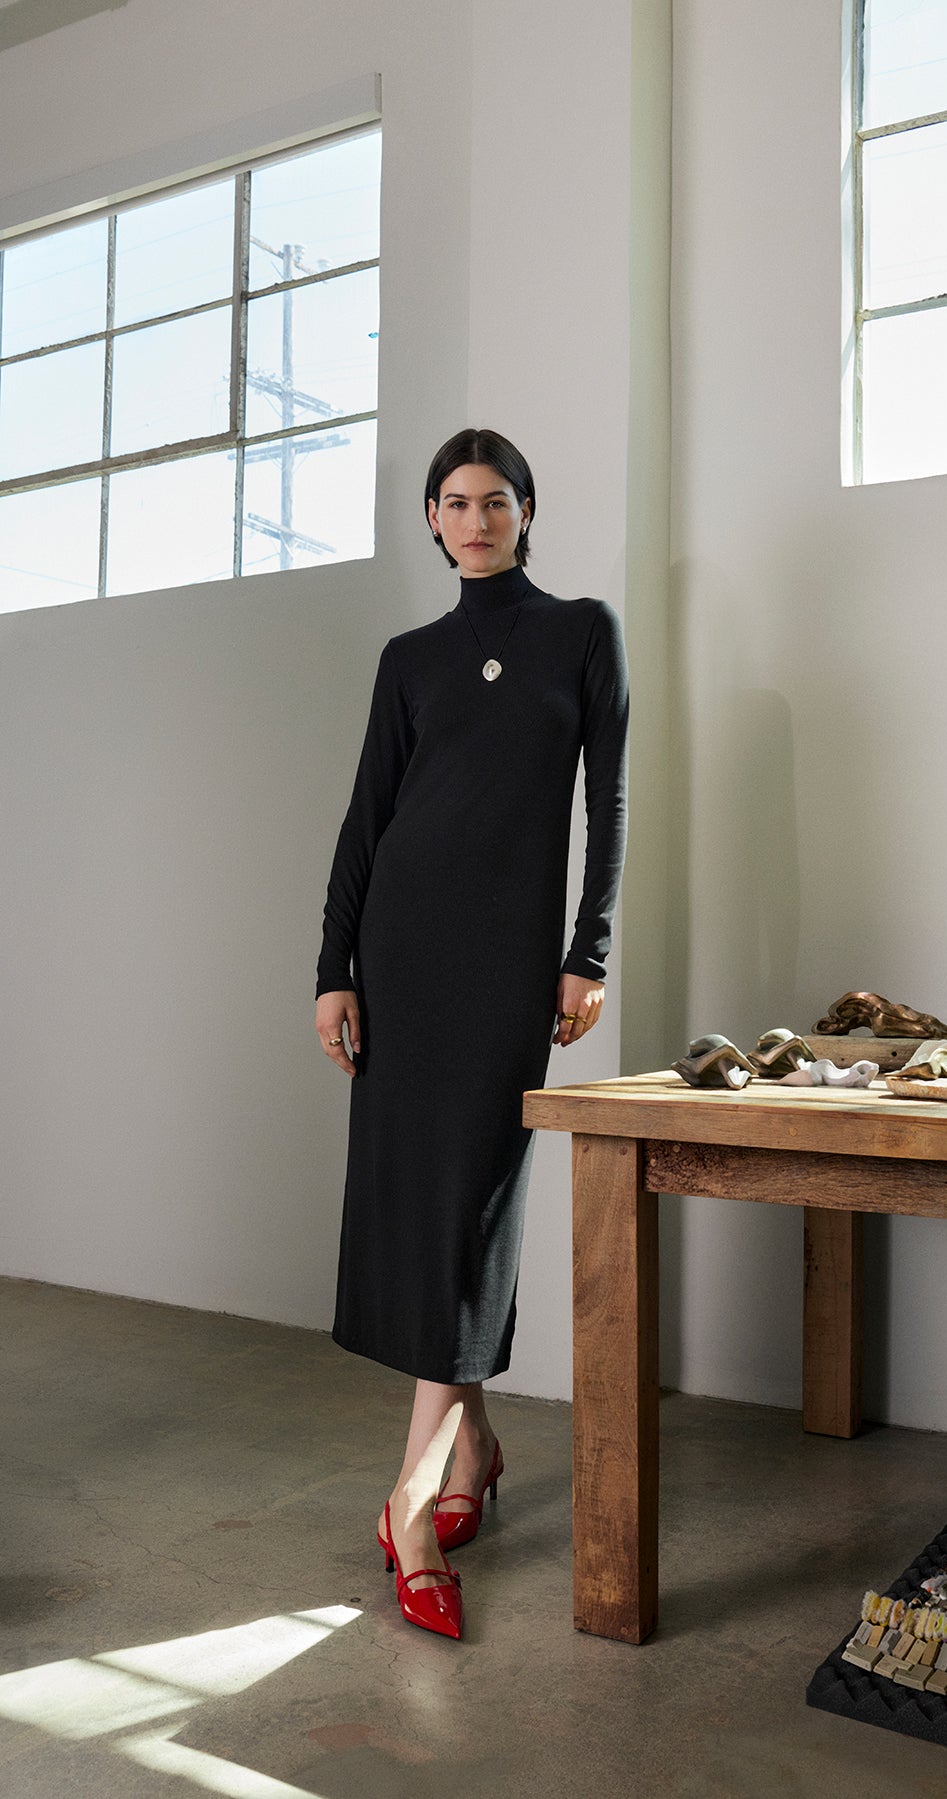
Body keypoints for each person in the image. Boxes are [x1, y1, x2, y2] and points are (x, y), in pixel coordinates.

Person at [313, 428, 629, 1640]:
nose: (477, 517)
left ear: (527, 512)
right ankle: (468, 1450)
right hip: (403, 954)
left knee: (472, 1207)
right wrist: (332, 969)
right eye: (455, 502)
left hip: (506, 971)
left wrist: (585, 950)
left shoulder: (582, 632)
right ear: (434, 523)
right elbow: (365, 819)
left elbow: (609, 804)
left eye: (496, 499)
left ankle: (407, 1494)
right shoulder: (408, 658)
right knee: (426, 1209)